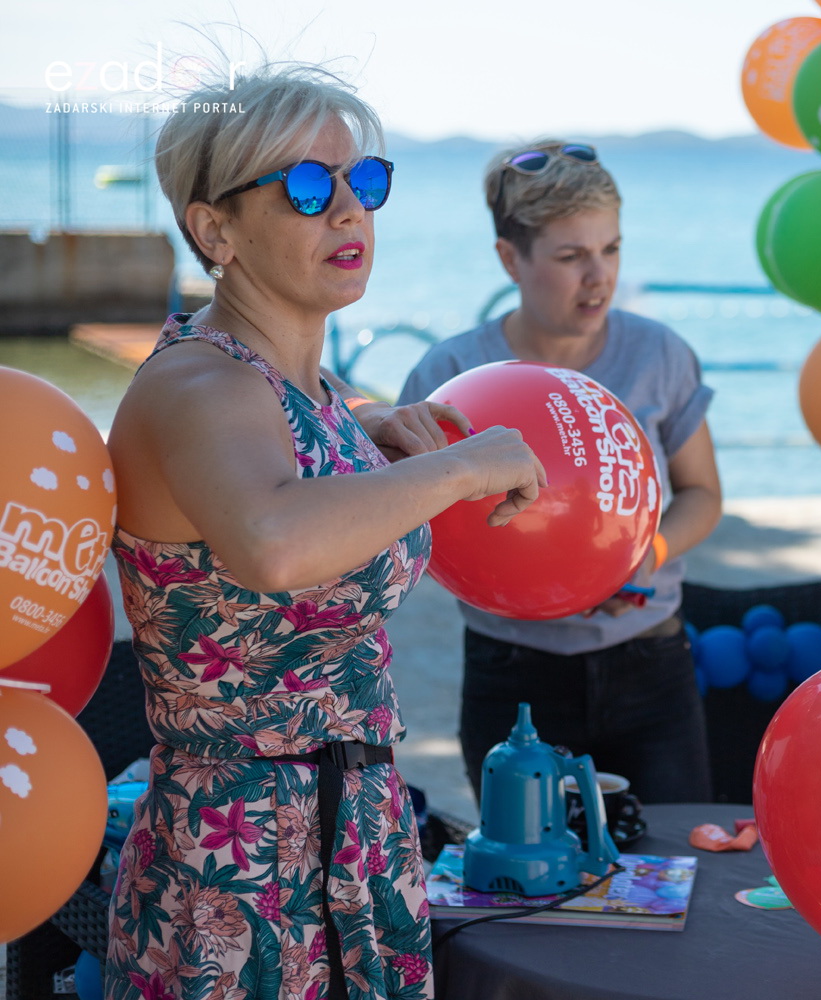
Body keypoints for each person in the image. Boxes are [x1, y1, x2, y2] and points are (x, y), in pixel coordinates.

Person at [103, 64, 545, 1000]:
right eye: (307, 188)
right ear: (214, 228)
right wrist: (457, 468)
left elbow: (282, 473)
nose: (348, 211)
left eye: (364, 181)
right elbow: (272, 541)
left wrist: (373, 431)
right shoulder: (198, 385)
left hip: (352, 840)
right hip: (240, 870)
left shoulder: (301, 390)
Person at [398, 140, 722, 808]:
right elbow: (406, 525)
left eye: (611, 250)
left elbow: (703, 495)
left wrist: (643, 555)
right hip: (511, 673)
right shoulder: (447, 379)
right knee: (523, 893)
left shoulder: (659, 354)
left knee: (671, 872)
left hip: (650, 663)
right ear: (510, 259)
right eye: (572, 256)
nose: (598, 278)